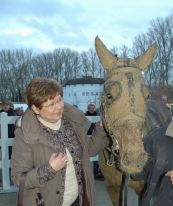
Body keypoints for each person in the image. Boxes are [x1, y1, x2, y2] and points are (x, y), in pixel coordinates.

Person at [10, 77, 106, 206]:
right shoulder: (25, 134)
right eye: (51, 104)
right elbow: (18, 178)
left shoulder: (72, 122)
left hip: (79, 198)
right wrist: (49, 169)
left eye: (59, 100)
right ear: (35, 109)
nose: (59, 107)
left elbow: (87, 151)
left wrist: (100, 130)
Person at [85, 103, 104, 179]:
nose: (92, 109)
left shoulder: (98, 115)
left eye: (93, 108)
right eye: (90, 108)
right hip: (88, 137)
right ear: (88, 108)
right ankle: (89, 171)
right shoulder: (85, 115)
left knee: (96, 156)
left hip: (96, 136)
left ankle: (96, 171)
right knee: (90, 155)